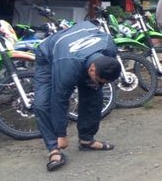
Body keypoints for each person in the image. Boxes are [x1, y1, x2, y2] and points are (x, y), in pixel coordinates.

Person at [33, 21, 122, 171]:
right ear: (92, 69)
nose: (102, 84)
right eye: (100, 81)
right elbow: (59, 99)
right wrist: (61, 134)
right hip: (50, 56)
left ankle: (86, 140)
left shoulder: (109, 47)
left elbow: (99, 80)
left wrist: (97, 83)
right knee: (42, 103)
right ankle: (54, 149)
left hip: (79, 48)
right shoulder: (67, 67)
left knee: (94, 95)